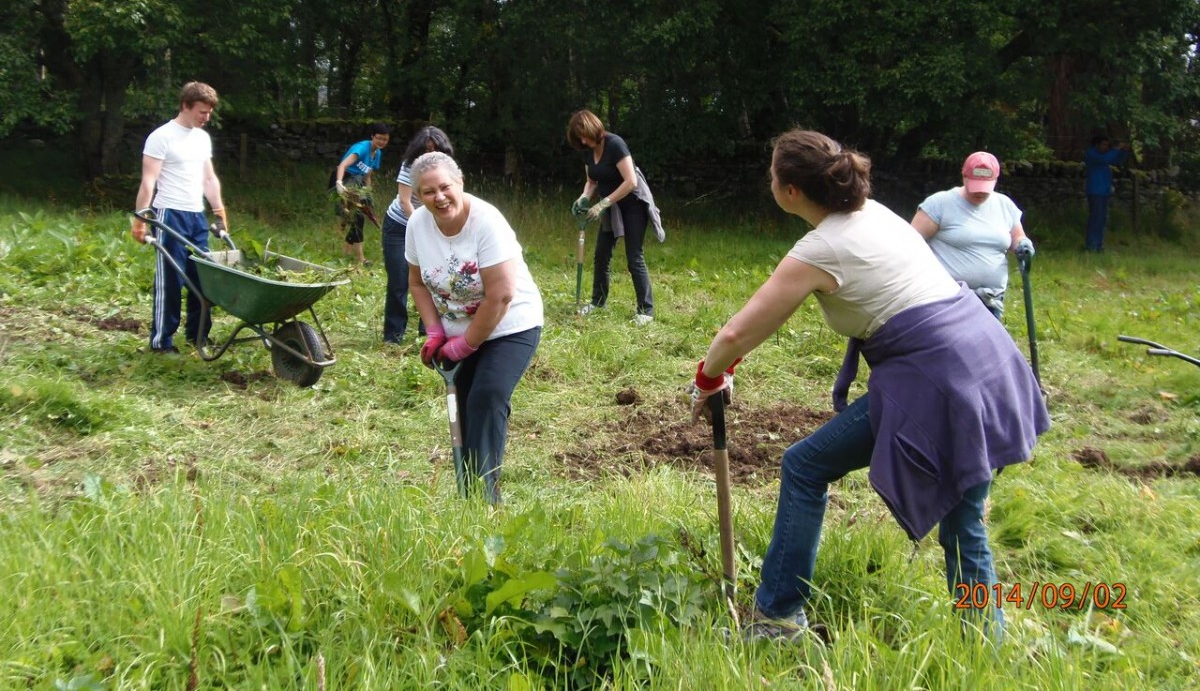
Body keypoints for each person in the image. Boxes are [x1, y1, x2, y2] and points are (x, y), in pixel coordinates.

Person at [689, 129, 1049, 643]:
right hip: (985, 352)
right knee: (964, 517)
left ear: (790, 190)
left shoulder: (819, 249)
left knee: (805, 466)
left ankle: (775, 620)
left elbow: (737, 332)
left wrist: (709, 375)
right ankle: (985, 644)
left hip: (938, 376)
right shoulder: (874, 212)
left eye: (772, 174)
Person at [406, 152, 543, 503]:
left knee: (487, 396)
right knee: (464, 407)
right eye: (427, 192)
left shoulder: (486, 222)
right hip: (457, 329)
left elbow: (501, 295)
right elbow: (418, 283)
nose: (438, 197)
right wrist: (435, 331)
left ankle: (486, 499)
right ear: (416, 195)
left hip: (510, 323)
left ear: (460, 183)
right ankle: (468, 493)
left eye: (444, 187)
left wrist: (466, 345)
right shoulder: (417, 225)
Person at [131, 81, 228, 354]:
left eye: (209, 113)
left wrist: (219, 211)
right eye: (202, 112)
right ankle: (162, 342)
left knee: (203, 277)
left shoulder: (202, 138)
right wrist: (141, 218)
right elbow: (148, 181)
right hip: (168, 214)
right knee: (170, 280)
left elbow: (209, 178)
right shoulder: (161, 137)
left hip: (196, 215)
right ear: (185, 106)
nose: (206, 118)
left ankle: (198, 336)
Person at [565, 109, 665, 325]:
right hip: (610, 206)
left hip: (632, 204)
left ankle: (645, 311)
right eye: (579, 138)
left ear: (593, 128)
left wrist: (603, 203)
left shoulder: (615, 144)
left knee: (634, 256)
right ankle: (598, 302)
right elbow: (592, 180)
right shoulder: (587, 150)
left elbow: (631, 181)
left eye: (584, 135)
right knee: (601, 254)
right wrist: (584, 198)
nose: (583, 140)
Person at [911, 152, 1034, 319]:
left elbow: (1016, 237)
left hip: (991, 300)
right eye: (975, 186)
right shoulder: (940, 204)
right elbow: (910, 242)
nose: (980, 193)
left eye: (985, 187)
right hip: (947, 299)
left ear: (995, 180)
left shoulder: (1004, 205)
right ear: (964, 176)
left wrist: (1023, 244)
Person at [382, 126, 455, 344]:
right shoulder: (410, 166)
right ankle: (393, 337)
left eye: (435, 150)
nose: (430, 154)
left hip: (432, 227)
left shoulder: (447, 169)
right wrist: (422, 227)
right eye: (426, 150)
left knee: (432, 280)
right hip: (399, 227)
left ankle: (428, 334)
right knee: (399, 281)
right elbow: (405, 201)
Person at [333, 122, 390, 264]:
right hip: (345, 179)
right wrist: (339, 183)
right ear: (372, 137)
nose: (382, 142)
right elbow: (342, 165)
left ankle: (346, 251)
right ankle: (361, 259)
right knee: (358, 218)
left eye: (385, 139)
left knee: (361, 215)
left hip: (358, 184)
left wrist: (367, 193)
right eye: (379, 138)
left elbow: (367, 176)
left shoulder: (377, 153)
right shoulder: (362, 148)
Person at [1084, 135, 1129, 252]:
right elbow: (1106, 160)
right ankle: (1092, 245)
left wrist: (1123, 151)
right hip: (1095, 190)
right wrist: (1116, 149)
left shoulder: (1106, 155)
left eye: (1107, 145)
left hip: (1104, 191)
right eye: (1104, 145)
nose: (1106, 148)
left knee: (1102, 219)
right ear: (1097, 145)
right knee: (1096, 218)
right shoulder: (1092, 154)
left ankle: (1099, 244)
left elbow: (1118, 160)